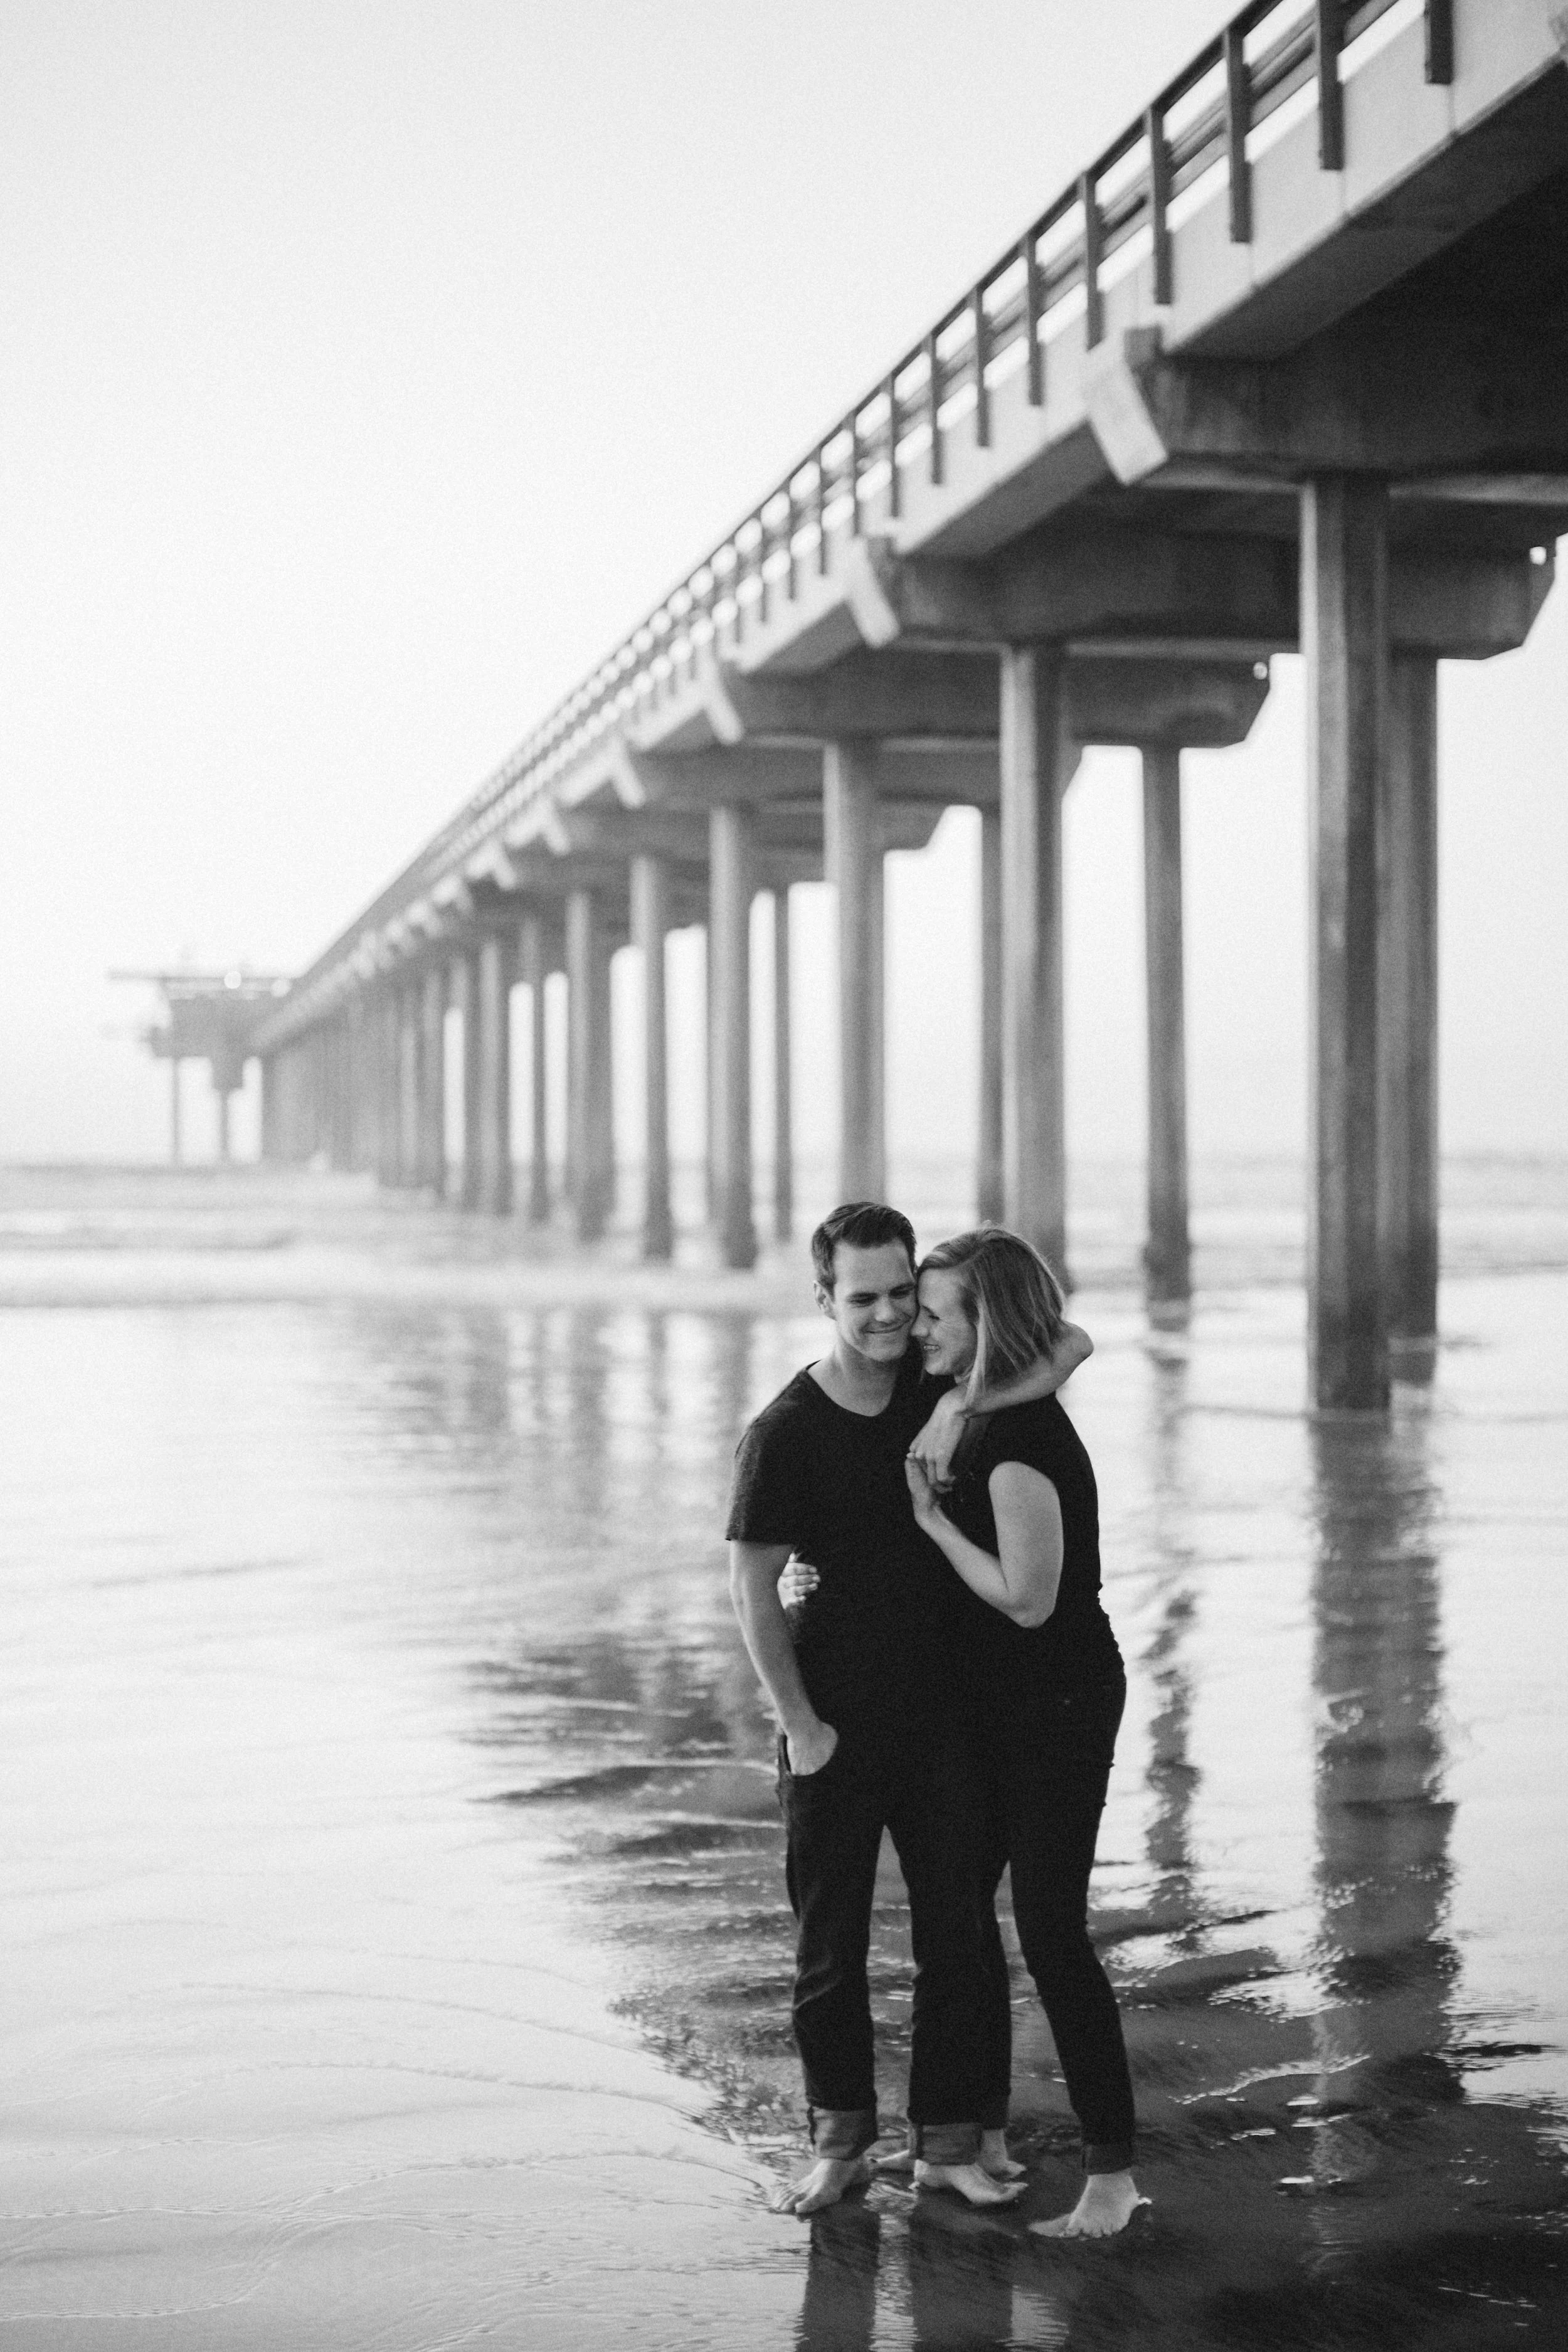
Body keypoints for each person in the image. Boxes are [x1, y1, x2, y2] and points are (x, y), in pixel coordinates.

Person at [725, 1201, 1091, 2219]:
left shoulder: (945, 1380)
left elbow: (1069, 1339)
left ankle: (944, 2147)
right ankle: (839, 2144)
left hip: (946, 1718)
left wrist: (947, 1412)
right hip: (833, 1716)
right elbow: (752, 1589)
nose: (889, 1316)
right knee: (831, 1947)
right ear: (824, 1298)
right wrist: (799, 1722)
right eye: (864, 1297)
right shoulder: (785, 1430)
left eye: (901, 1294)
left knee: (960, 1940)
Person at [905, 1225, 1146, 2238]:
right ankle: (966, 2137)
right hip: (997, 1708)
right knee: (961, 1903)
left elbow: (1029, 1599)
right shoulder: (974, 1404)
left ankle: (1114, 2180)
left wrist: (934, 1523)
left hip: (1057, 1703)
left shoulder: (1016, 1449)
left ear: (983, 1325)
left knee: (1050, 1929)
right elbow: (1072, 1339)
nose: (916, 1327)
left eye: (933, 1313)